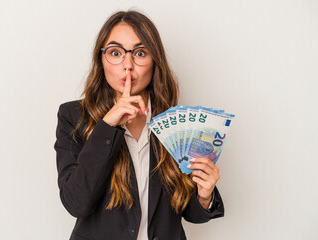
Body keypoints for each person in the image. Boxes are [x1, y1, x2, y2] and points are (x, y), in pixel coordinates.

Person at [54, 10, 224, 240]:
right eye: (115, 53)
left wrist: (204, 196)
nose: (128, 65)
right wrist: (108, 125)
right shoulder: (73, 116)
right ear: (101, 60)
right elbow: (77, 203)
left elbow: (187, 212)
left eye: (140, 53)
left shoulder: (175, 122)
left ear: (155, 62)